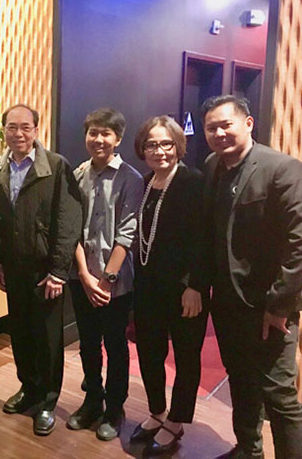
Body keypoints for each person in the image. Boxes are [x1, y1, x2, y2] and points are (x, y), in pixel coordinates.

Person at [198, 95, 302, 459]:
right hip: (227, 302)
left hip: (269, 306)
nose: (219, 133)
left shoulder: (282, 168)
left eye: (226, 125)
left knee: (279, 395)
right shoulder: (212, 165)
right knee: (240, 379)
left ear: (248, 123)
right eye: (211, 128)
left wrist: (280, 306)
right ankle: (248, 449)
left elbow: (298, 244)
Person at [0, 104, 82, 436]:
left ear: (36, 130)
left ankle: (47, 401)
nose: (18, 134)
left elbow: (68, 221)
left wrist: (58, 271)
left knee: (48, 338)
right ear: (4, 131)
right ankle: (28, 388)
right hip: (14, 267)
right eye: (12, 127)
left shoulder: (55, 166)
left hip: (46, 269)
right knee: (21, 332)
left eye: (25, 127)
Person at [129, 116, 208, 456]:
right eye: (151, 144)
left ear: (178, 146)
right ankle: (157, 412)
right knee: (149, 351)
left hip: (185, 289)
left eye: (166, 144)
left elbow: (205, 239)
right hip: (148, 286)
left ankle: (176, 421)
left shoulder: (194, 182)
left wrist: (195, 286)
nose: (159, 151)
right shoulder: (146, 182)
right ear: (142, 149)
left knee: (186, 356)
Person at [67, 107, 143, 441]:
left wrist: (107, 280)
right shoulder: (78, 175)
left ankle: (115, 408)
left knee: (115, 345)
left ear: (118, 138)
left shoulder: (131, 179)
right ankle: (92, 401)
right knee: (87, 343)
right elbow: (71, 229)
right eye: (93, 133)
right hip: (81, 278)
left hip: (116, 283)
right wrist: (85, 276)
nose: (98, 139)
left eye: (106, 134)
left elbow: (127, 234)